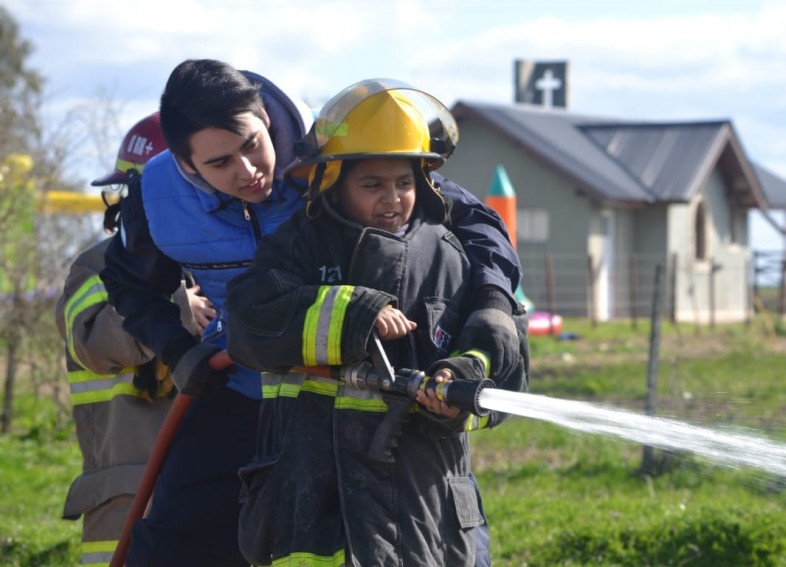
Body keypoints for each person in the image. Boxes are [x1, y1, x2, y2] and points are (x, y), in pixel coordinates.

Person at [100, 59, 523, 566]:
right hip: (236, 388)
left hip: (355, 399)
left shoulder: (336, 150)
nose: (248, 170)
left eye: (252, 144)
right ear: (186, 164)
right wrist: (177, 349)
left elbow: (472, 222)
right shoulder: (156, 195)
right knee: (172, 546)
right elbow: (128, 283)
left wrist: (495, 304)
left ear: (265, 119)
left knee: (425, 538)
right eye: (220, 164)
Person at [225, 79, 529, 566]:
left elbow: (506, 357)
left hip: (426, 507)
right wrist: (352, 313)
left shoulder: (450, 255)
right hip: (315, 505)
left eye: (404, 183)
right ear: (334, 181)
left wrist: (462, 378)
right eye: (373, 185)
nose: (393, 198)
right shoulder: (303, 245)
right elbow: (247, 323)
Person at [56, 112, 213, 566]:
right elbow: (93, 343)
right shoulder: (96, 266)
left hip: (214, 485)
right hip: (130, 500)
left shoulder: (223, 262)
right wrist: (179, 309)